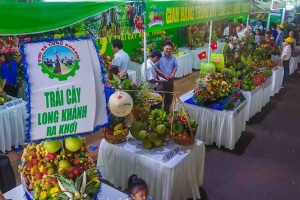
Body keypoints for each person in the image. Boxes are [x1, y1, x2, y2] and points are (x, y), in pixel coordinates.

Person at [155, 41, 178, 113]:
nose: (168, 50)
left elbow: (176, 66)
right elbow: (155, 68)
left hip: (170, 80)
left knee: (169, 97)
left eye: (170, 49)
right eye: (166, 49)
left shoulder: (173, 57)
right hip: (161, 81)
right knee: (159, 97)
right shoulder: (159, 57)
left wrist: (173, 73)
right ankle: (158, 113)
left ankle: (166, 112)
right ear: (163, 48)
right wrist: (163, 75)